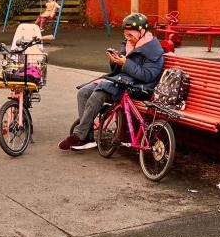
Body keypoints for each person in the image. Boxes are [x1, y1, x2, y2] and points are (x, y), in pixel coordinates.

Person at [59, 12, 164, 151]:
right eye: (126, 35)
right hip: (120, 80)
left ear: (142, 32)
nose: (128, 38)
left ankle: (79, 135)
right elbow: (117, 69)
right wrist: (115, 60)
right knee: (83, 92)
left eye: (130, 35)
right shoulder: (128, 44)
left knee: (97, 96)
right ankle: (88, 139)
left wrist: (126, 63)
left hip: (137, 87)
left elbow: (148, 75)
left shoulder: (154, 50)